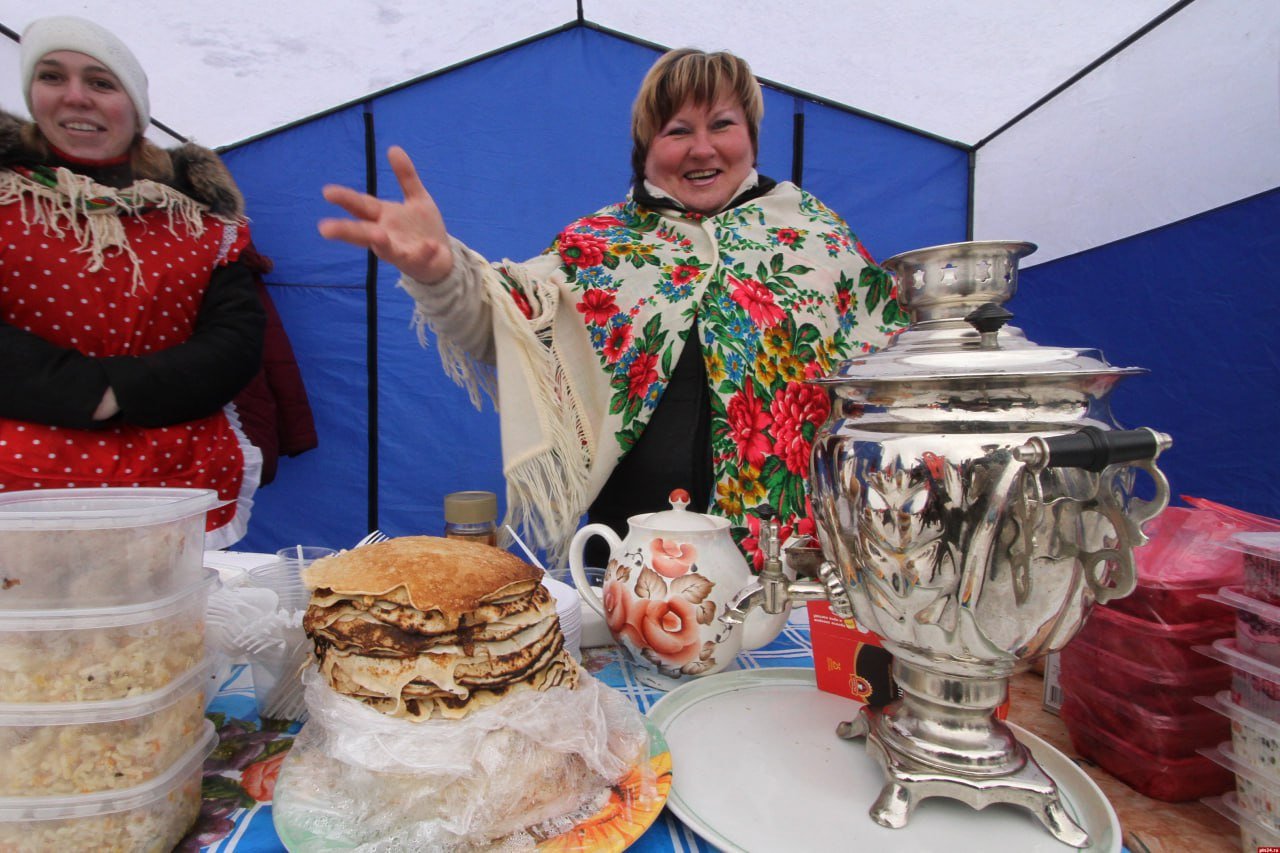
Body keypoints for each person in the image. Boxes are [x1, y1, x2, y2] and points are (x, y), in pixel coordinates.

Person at [319, 48, 904, 567]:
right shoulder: (600, 245)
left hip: (785, 556)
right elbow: (508, 323)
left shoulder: (816, 240)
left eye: (722, 124)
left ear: (750, 137)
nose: (703, 148)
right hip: (626, 551)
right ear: (646, 148)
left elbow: (895, 369)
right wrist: (441, 271)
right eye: (678, 130)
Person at [0, 16, 265, 548]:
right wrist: (87, 392)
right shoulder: (8, 202)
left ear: (135, 106)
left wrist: (125, 389)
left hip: (177, 474)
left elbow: (235, 341)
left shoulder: (199, 221)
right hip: (22, 485)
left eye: (100, 83)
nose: (76, 97)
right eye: (53, 77)